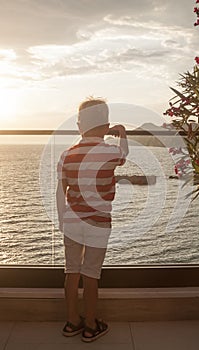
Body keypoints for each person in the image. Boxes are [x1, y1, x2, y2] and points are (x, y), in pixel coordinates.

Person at [56, 97, 129, 342]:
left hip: (72, 222)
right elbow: (124, 155)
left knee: (71, 272)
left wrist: (61, 221)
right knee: (91, 274)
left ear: (79, 126)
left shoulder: (67, 155)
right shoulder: (110, 152)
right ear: (106, 127)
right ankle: (90, 325)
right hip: (98, 222)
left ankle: (71, 321)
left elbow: (61, 190)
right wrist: (122, 134)